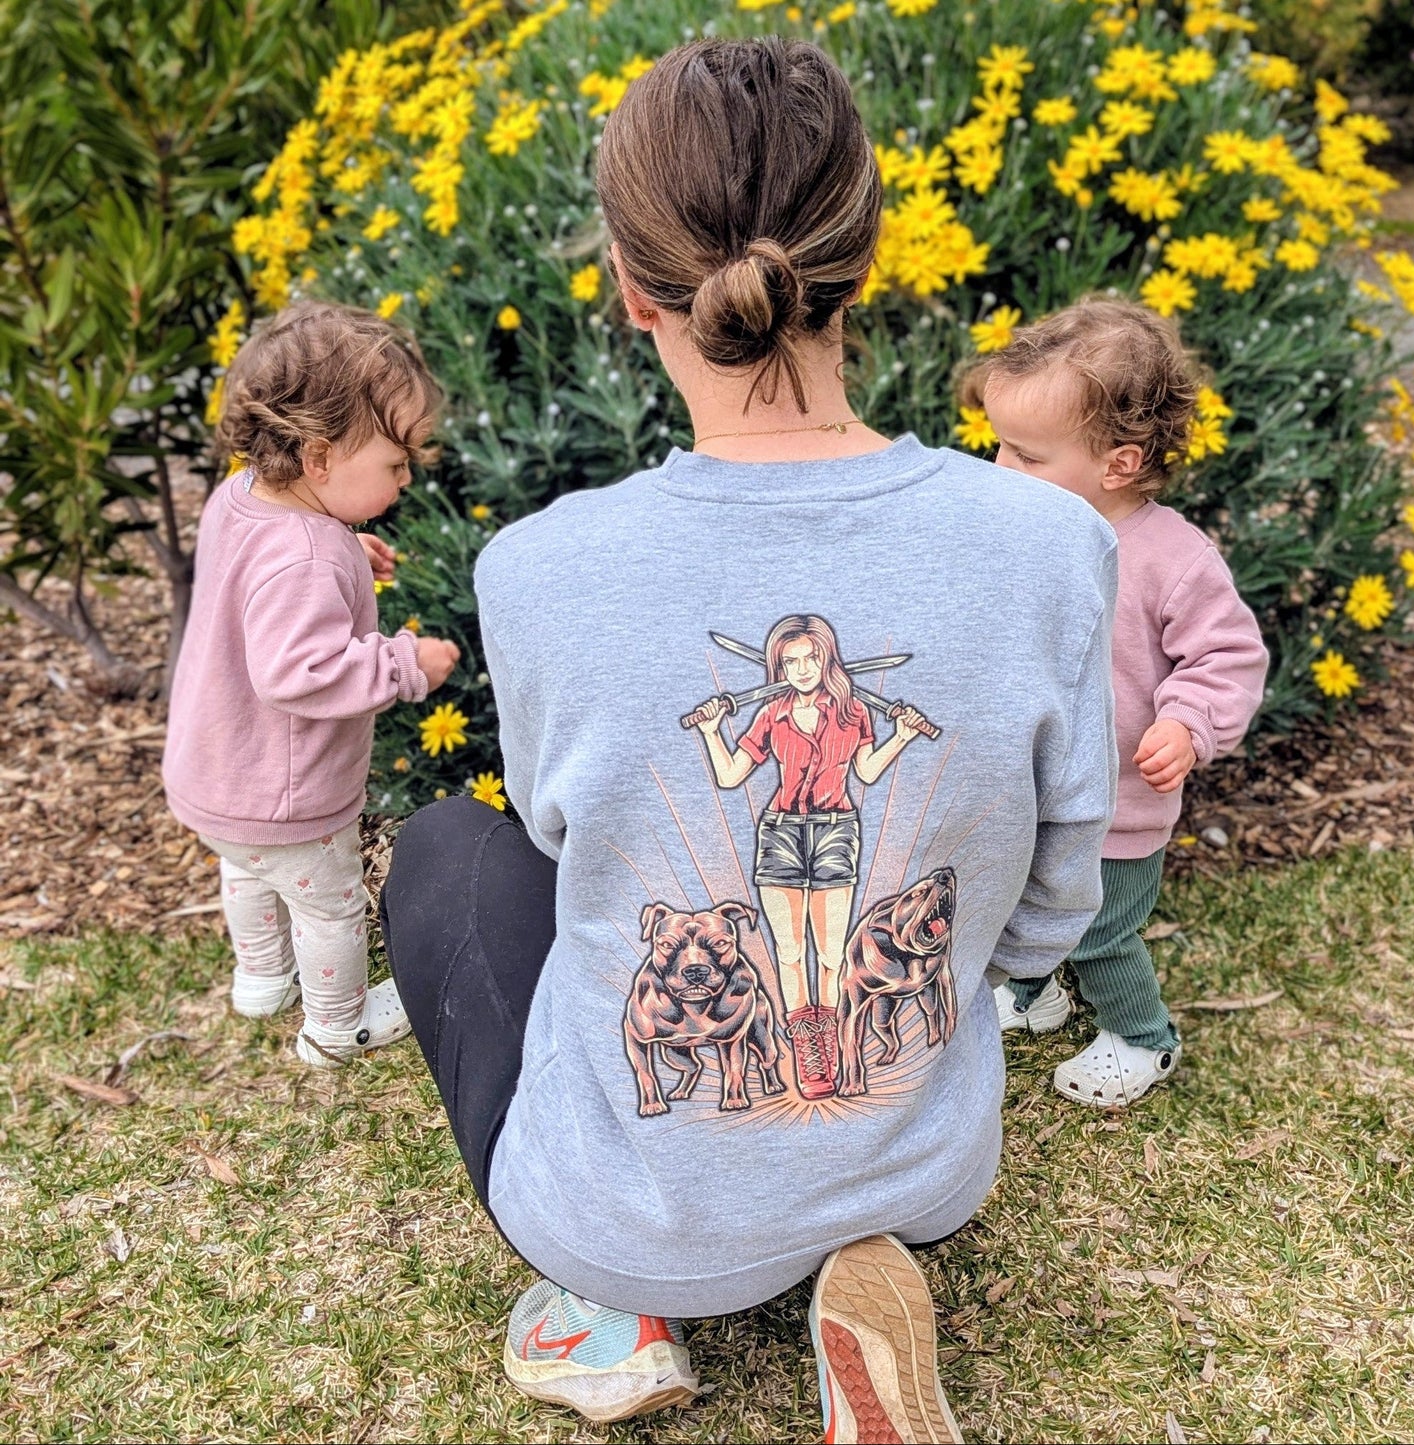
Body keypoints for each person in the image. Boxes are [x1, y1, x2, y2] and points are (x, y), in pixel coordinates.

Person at [380, 38, 1116, 1441]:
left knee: (446, 858)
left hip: (643, 1215)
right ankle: (856, 1248)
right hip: (927, 1168)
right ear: (869, 253)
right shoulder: (1050, 544)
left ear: (624, 281)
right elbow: (1054, 895)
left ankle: (608, 1307)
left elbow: (553, 839)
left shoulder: (540, 568)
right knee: (808, 951)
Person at [962, 297, 1269, 1107]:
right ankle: (1036, 994)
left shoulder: (1174, 559)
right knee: (1019, 901)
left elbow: (1226, 656)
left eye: (1026, 455)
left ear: (1119, 464)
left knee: (1097, 928)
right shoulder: (1025, 534)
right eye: (999, 444)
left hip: (1121, 803)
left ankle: (1141, 1035)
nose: (1000, 467)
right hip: (1032, 786)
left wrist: (1185, 722)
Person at [163, 302, 461, 1069]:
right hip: (285, 797)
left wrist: (343, 548)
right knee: (329, 904)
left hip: (216, 774)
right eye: (396, 465)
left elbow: (257, 580)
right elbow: (300, 671)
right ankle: (337, 1022)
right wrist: (403, 664)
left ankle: (262, 977)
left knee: (246, 872)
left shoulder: (240, 497)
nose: (405, 479)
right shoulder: (308, 556)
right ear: (320, 458)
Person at [690, 612, 929, 1099]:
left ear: (827, 659)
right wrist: (713, 730)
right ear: (779, 665)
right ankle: (808, 1050)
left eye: (811, 658)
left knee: (833, 951)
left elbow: (864, 772)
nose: (802, 669)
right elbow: (732, 775)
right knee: (791, 951)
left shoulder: (852, 713)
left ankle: (835, 1039)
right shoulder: (771, 714)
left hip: (835, 831)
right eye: (791, 661)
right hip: (780, 833)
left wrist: (901, 737)